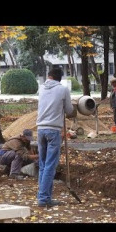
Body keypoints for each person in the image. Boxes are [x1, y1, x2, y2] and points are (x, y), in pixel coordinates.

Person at [36, 68, 76, 207]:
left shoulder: (41, 88)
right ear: (59, 78)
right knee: (50, 166)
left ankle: (44, 197)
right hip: (53, 131)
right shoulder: (63, 89)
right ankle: (43, 198)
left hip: (40, 129)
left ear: (49, 76)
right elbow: (70, 111)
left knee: (42, 165)